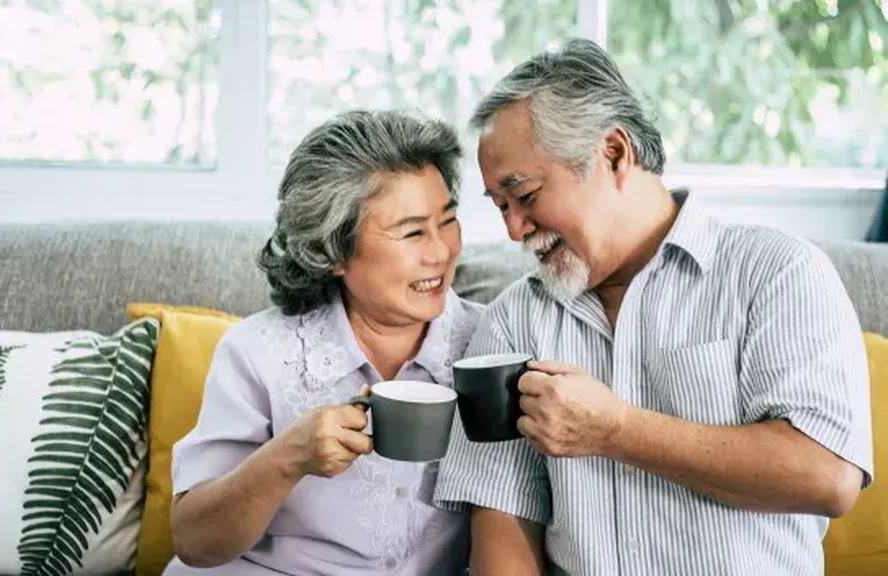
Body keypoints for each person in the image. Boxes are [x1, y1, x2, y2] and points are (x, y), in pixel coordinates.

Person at [433, 38, 872, 575]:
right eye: (500, 207)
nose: (513, 229)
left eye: (524, 196)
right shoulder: (514, 319)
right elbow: (503, 524)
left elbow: (827, 476)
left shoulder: (776, 272)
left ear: (615, 153)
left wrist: (613, 430)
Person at [165, 110, 483, 575]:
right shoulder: (258, 351)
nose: (440, 251)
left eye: (448, 220)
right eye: (412, 231)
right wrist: (288, 458)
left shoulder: (490, 344)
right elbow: (194, 542)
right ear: (333, 250)